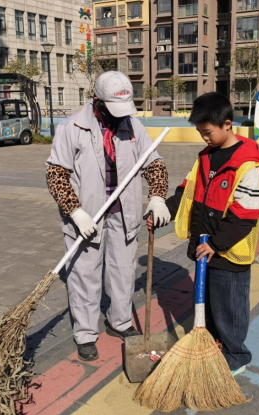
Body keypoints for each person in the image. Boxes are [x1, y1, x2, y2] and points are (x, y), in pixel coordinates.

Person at [46, 72, 171, 362]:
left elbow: (154, 163)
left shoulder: (133, 125)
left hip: (124, 213)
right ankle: (85, 333)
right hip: (86, 216)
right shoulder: (71, 128)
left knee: (123, 271)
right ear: (97, 102)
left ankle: (120, 321)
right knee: (84, 275)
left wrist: (157, 196)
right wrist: (75, 211)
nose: (119, 117)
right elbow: (56, 173)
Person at [149, 93, 259, 375]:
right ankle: (215, 345)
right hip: (205, 245)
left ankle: (236, 355)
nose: (204, 138)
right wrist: (164, 210)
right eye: (200, 132)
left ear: (227, 124)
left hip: (229, 250)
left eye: (208, 132)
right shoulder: (204, 157)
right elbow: (187, 191)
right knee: (212, 303)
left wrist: (216, 243)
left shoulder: (247, 163)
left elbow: (245, 215)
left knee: (230, 306)